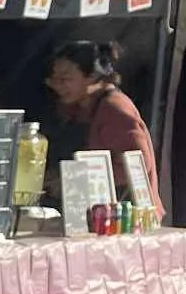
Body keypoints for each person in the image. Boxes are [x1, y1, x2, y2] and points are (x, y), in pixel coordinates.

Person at [47, 40, 164, 222]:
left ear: (92, 76)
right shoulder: (78, 107)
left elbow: (137, 165)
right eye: (54, 78)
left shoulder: (115, 109)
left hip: (125, 221)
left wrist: (73, 182)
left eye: (65, 78)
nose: (57, 85)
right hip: (91, 217)